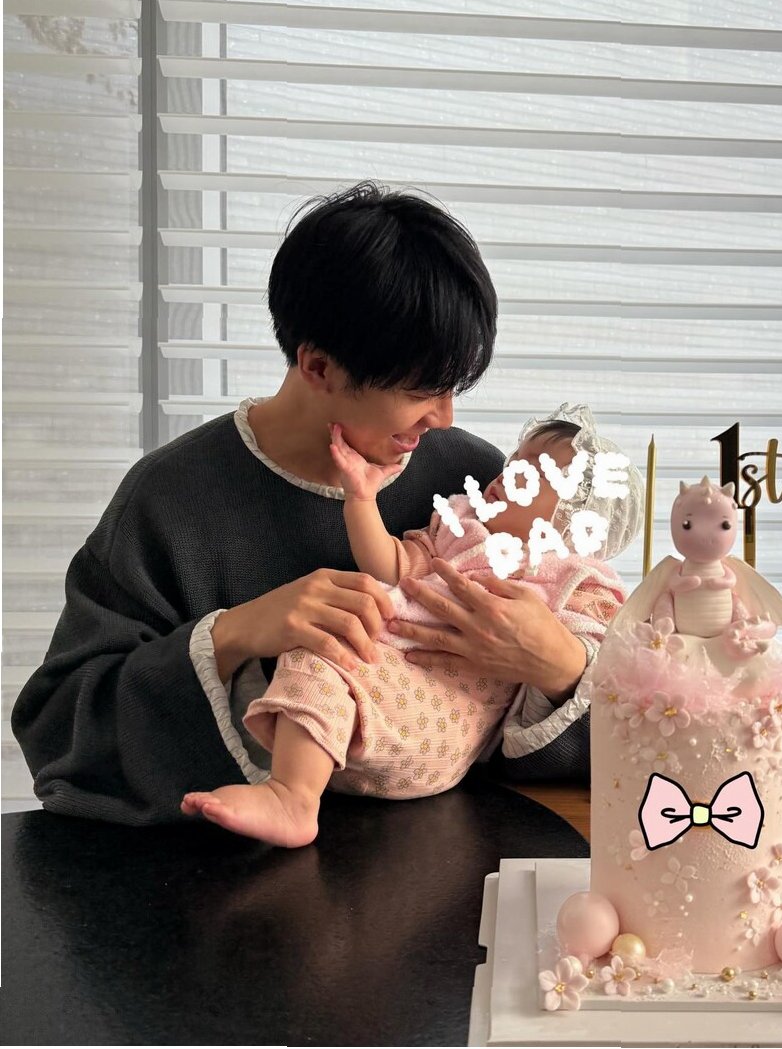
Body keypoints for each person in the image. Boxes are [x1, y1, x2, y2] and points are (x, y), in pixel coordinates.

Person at [12, 181, 615, 827]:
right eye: (421, 390)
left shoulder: (474, 482)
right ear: (319, 367)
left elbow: (628, 744)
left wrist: (560, 667)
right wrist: (232, 636)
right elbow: (60, 734)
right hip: (227, 879)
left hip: (449, 873)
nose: (443, 416)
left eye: (453, 388)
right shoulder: (171, 498)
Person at [180, 411, 643, 846]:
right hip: (378, 678)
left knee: (324, 657)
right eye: (513, 460)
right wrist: (361, 500)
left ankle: (291, 797)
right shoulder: (460, 531)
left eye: (533, 473)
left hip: (448, 720)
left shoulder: (572, 576)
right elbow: (391, 564)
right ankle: (294, 790)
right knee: (318, 646)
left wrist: (564, 655)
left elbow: (605, 663)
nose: (507, 473)